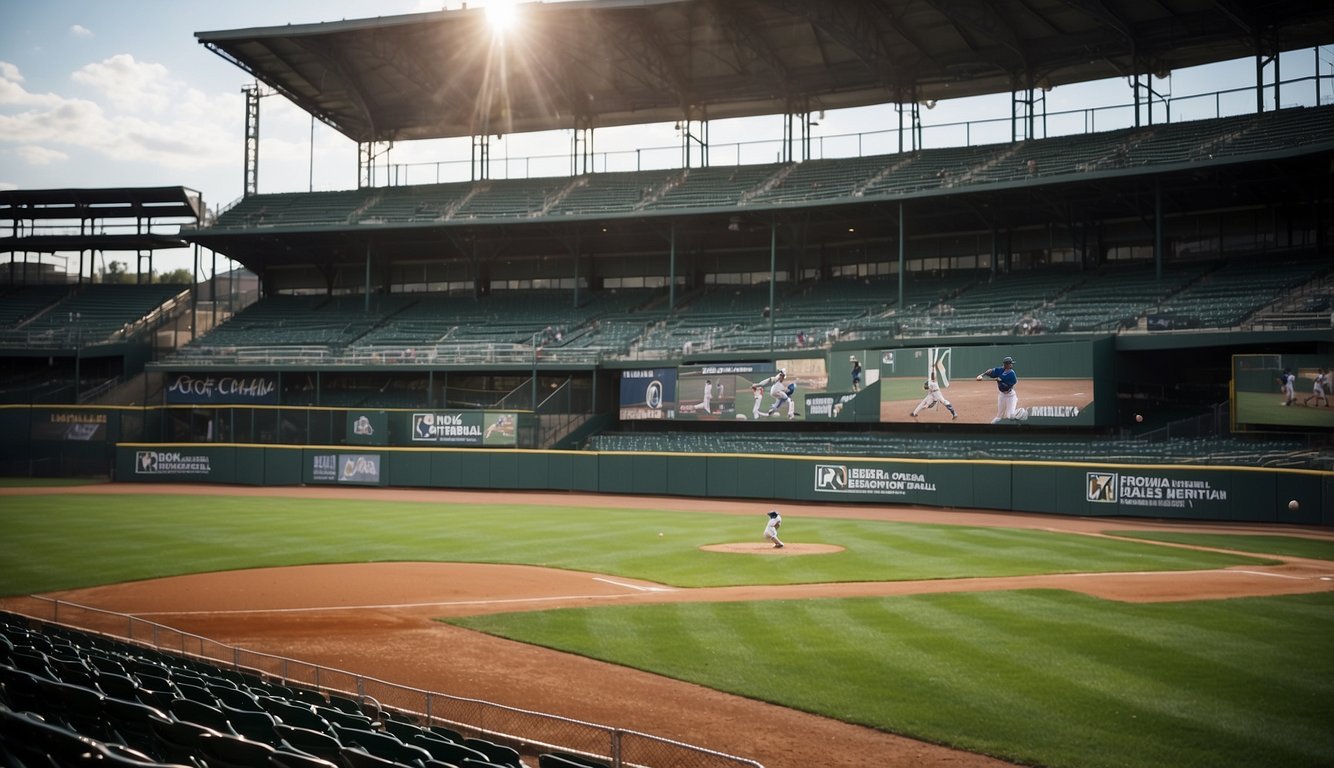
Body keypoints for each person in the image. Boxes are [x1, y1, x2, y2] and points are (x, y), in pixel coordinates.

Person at [976, 356, 1027, 423]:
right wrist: (982, 375)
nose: (1011, 365)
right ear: (1006, 364)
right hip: (1002, 395)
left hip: (1011, 396)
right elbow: (990, 371)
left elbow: (1008, 386)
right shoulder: (1000, 370)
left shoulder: (1012, 374)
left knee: (1010, 416)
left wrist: (1001, 380)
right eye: (1010, 363)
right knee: (999, 416)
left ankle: (1021, 412)